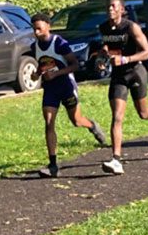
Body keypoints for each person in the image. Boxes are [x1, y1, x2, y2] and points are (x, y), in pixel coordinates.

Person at [98, 0, 148, 175]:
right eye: (107, 7)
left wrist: (125, 58)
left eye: (113, 6)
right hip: (118, 76)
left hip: (135, 72)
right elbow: (107, 46)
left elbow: (147, 52)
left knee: (143, 113)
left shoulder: (131, 27)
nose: (110, 9)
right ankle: (116, 159)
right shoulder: (103, 27)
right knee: (117, 116)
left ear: (122, 9)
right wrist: (102, 57)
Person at [28, 14, 108, 177]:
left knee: (76, 121)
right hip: (50, 89)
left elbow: (75, 65)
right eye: (34, 29)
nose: (36, 32)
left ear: (48, 26)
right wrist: (36, 74)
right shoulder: (34, 47)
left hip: (66, 86)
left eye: (39, 29)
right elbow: (42, 65)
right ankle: (53, 165)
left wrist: (56, 74)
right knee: (49, 123)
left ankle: (92, 126)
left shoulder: (59, 43)